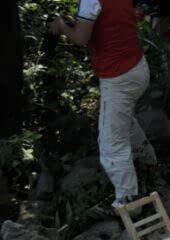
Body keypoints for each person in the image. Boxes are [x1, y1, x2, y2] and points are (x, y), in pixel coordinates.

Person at [48, 0, 154, 208]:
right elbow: (109, 22)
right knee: (123, 120)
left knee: (112, 143)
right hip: (137, 66)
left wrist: (61, 26)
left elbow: (81, 38)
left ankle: (128, 204)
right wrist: (74, 22)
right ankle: (149, 163)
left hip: (119, 77)